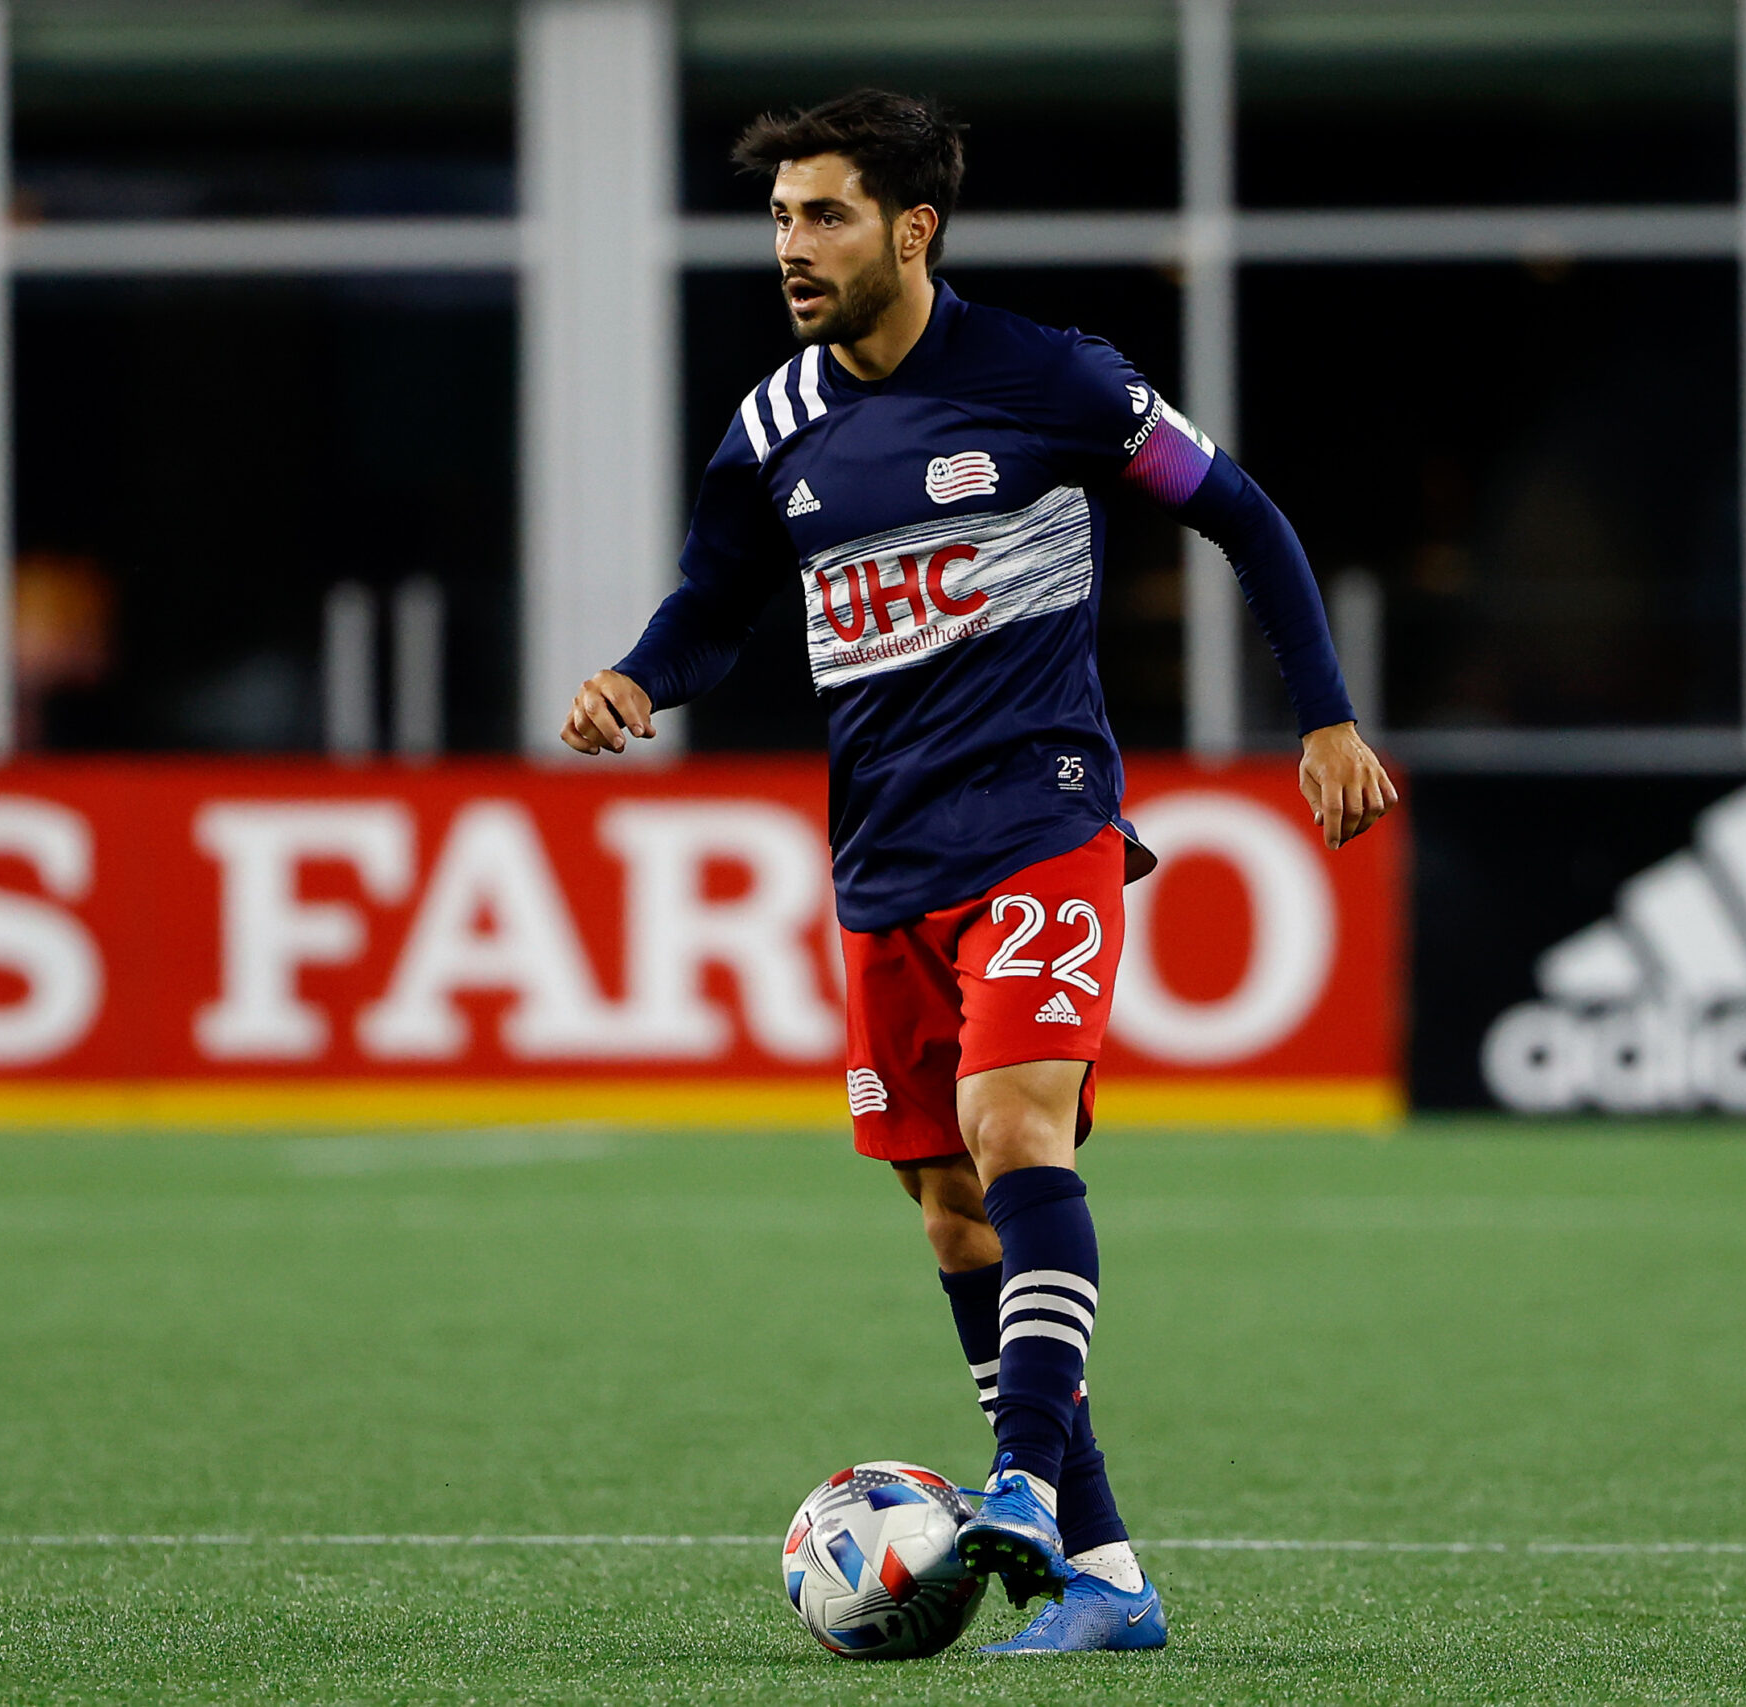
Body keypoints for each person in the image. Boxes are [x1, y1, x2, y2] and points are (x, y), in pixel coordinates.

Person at [560, 89, 1396, 1655]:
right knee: (953, 1216)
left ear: (912, 231)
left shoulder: (1057, 382)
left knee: (1015, 1126)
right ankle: (1111, 1579)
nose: (793, 249)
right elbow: (712, 603)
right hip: (883, 862)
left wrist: (1328, 716)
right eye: (781, 219)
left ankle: (1016, 1485)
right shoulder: (773, 425)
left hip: (1043, 816)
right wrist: (635, 677)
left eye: (825, 217)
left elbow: (1245, 516)